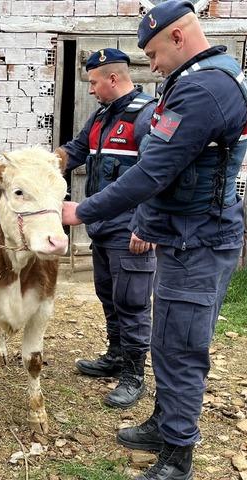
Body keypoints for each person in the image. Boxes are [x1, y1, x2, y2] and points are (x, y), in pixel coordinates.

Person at [61, 2, 247, 479]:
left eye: (152, 52)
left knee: (181, 349)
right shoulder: (194, 82)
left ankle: (177, 456)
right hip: (182, 236)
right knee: (169, 342)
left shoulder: (205, 89)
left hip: (200, 241)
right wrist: (147, 223)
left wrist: (80, 211)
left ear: (179, 38)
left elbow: (152, 171)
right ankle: (164, 424)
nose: (151, 64)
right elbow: (167, 172)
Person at [57, 48, 157, 409]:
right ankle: (116, 356)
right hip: (102, 227)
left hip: (131, 230)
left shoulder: (146, 117)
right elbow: (77, 150)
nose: (90, 90)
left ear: (113, 79)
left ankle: (134, 375)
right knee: (108, 294)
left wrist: (147, 226)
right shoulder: (102, 117)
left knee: (131, 302)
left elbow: (157, 176)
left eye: (94, 82)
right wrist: (39, 164)